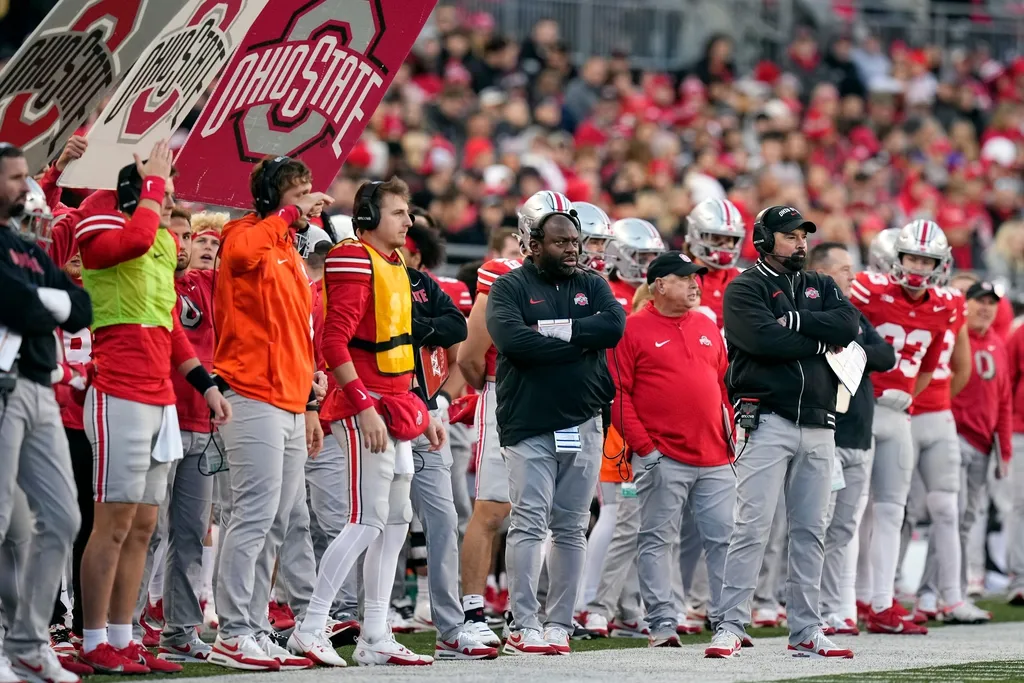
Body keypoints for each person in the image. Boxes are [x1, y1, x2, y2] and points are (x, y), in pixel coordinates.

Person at [290, 177, 443, 667]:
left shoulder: (393, 262)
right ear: (371, 216)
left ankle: (375, 633)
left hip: (397, 400)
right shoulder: (354, 258)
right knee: (366, 518)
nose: (408, 221)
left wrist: (423, 408)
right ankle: (311, 625)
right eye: (398, 212)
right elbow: (333, 343)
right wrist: (362, 404)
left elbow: (401, 345)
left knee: (396, 519)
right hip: (367, 403)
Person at [707, 205, 858, 659]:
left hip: (818, 420)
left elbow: (849, 326)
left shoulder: (821, 284)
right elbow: (759, 341)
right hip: (765, 417)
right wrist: (817, 338)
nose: (800, 242)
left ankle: (807, 628)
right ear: (764, 238)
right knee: (751, 526)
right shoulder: (745, 287)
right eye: (790, 235)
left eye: (802, 235)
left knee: (811, 529)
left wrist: (794, 322)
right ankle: (730, 624)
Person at [209, 155, 330, 671]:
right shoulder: (245, 232)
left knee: (277, 522)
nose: (308, 200)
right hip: (250, 392)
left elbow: (297, 335)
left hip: (285, 399)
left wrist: (309, 401)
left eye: (309, 190)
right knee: (253, 516)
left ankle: (253, 625)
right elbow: (238, 260)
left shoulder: (287, 250)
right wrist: (286, 215)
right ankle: (232, 631)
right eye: (298, 191)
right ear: (272, 198)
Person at [486, 208, 626, 655]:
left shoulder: (592, 283)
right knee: (528, 523)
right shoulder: (510, 286)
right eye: (561, 242)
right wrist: (579, 343)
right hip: (529, 422)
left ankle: (559, 623)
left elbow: (613, 328)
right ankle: (523, 622)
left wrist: (552, 331)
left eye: (575, 242)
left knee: (571, 527)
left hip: (585, 420)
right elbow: (513, 342)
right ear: (534, 245)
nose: (572, 250)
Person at [454, 190, 571, 647]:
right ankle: (472, 612)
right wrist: (495, 387)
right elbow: (469, 355)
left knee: (552, 515)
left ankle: (533, 616)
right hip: (511, 395)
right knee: (493, 508)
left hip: (563, 402)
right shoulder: (502, 275)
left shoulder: (581, 281)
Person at [0, 144, 92, 683]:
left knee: (63, 518)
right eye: (13, 177)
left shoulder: (31, 251)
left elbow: (79, 310)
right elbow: (17, 306)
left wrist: (47, 301)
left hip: (38, 389)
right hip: (5, 388)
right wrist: (48, 303)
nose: (23, 186)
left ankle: (30, 643)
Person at [610, 251, 735, 647]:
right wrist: (646, 449)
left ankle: (728, 623)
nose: (695, 284)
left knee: (724, 539)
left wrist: (729, 433)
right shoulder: (631, 329)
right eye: (684, 278)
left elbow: (721, 385)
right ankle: (662, 624)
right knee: (657, 539)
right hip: (663, 455)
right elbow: (617, 395)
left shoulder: (706, 325)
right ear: (659, 285)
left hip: (715, 455)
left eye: (695, 277)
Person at [848, 219, 955, 635]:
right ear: (897, 256)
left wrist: (905, 393)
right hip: (861, 409)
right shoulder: (867, 289)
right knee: (850, 511)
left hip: (899, 414)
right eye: (912, 256)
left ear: (939, 264)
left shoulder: (944, 305)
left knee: (892, 511)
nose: (917, 266)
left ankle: (880, 601)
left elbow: (926, 371)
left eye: (926, 259)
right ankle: (841, 602)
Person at [399, 209, 497, 659]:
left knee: (443, 517)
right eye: (398, 214)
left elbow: (457, 335)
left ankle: (448, 623)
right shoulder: (359, 273)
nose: (405, 224)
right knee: (376, 521)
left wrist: (439, 401)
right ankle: (348, 614)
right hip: (378, 410)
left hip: (430, 414)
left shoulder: (429, 286)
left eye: (408, 218)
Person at [808, 242, 895, 636]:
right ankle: (808, 608)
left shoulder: (853, 313)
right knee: (816, 527)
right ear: (823, 272)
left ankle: (837, 609)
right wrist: (858, 348)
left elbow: (886, 355)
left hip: (860, 435)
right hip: (830, 432)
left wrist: (852, 346)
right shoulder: (813, 309)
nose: (853, 275)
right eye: (845, 269)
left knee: (843, 529)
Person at [941, 281, 1010, 620]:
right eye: (979, 301)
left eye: (991, 303)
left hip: (983, 443)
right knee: (951, 514)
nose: (985, 308)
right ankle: (945, 592)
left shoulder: (998, 342)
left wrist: (1004, 449)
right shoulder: (955, 337)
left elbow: (1005, 400)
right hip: (954, 434)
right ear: (965, 304)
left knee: (967, 518)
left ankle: (956, 588)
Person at [683, 198, 745, 328]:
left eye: (729, 239)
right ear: (696, 235)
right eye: (716, 238)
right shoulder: (679, 279)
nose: (724, 246)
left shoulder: (746, 278)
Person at [604, 218, 666, 309]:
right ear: (618, 255)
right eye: (643, 255)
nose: (652, 262)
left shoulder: (664, 291)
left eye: (655, 254)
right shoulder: (607, 295)